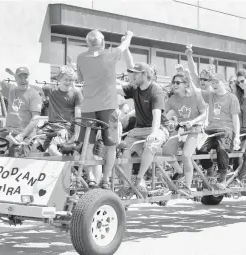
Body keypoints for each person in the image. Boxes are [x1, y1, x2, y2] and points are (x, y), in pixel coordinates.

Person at [75, 29, 134, 188]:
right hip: (108, 106)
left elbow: (80, 78)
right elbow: (124, 46)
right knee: (111, 145)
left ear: (88, 43)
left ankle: (92, 178)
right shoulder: (109, 54)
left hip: (88, 106)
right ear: (103, 43)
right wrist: (128, 35)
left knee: (88, 144)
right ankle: (106, 180)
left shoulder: (80, 57)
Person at [0, 52, 42, 156]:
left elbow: (35, 119)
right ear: (15, 78)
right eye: (20, 77)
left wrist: (21, 135)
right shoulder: (11, 89)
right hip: (8, 131)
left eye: (25, 77)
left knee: (14, 156)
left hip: (25, 134)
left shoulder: (34, 95)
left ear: (29, 78)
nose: (23, 80)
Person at [117, 62, 170, 195]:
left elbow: (156, 115)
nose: (133, 75)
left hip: (158, 127)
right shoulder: (134, 88)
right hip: (139, 129)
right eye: (132, 72)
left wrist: (153, 133)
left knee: (150, 144)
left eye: (136, 73)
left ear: (145, 75)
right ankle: (127, 184)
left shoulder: (156, 91)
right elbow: (116, 89)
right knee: (123, 149)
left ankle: (139, 178)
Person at [161, 71, 207, 194]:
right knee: (166, 152)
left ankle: (187, 187)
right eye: (173, 83)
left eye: (177, 82)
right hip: (181, 128)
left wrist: (192, 122)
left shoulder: (196, 96)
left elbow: (204, 113)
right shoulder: (171, 99)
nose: (174, 85)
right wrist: (168, 122)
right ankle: (180, 172)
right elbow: (162, 113)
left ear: (186, 84)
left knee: (186, 155)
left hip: (195, 128)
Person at [193, 73, 241, 189]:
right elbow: (196, 82)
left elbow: (236, 119)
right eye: (212, 82)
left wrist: (237, 137)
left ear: (223, 83)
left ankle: (222, 177)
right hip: (210, 130)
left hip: (226, 130)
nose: (214, 85)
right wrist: (189, 60)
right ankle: (210, 170)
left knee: (222, 149)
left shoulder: (232, 97)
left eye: (216, 82)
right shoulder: (210, 95)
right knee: (199, 148)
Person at [40, 66, 83, 156]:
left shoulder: (76, 93)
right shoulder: (50, 90)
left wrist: (77, 134)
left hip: (65, 128)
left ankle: (68, 167)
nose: (68, 82)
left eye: (71, 80)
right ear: (59, 79)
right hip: (50, 126)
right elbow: (36, 88)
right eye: (66, 79)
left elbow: (78, 114)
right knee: (35, 147)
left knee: (52, 150)